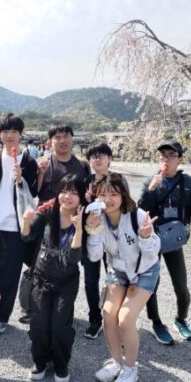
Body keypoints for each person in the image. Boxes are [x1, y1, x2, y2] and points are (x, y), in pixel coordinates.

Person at [85, 173, 161, 382]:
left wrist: (145, 237)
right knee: (108, 313)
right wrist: (93, 230)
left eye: (114, 194)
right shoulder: (98, 218)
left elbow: (153, 252)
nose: (108, 200)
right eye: (103, 194)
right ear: (96, 197)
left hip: (144, 271)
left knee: (125, 319)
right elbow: (94, 256)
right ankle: (116, 362)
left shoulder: (138, 216)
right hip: (118, 271)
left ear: (123, 195)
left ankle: (130, 368)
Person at [138, 140, 191, 345]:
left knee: (181, 286)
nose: (166, 159)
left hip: (174, 240)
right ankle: (157, 323)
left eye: (171, 155)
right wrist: (150, 190)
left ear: (180, 159)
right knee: (152, 284)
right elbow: (141, 212)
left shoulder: (189, 183)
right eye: (162, 155)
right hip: (153, 240)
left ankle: (181, 319)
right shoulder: (150, 180)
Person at [0, 113, 38, 335]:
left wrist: (21, 179)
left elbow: (34, 192)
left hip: (16, 227)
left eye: (14, 131)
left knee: (9, 277)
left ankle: (2, 318)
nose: (9, 135)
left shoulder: (29, 162)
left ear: (21, 134)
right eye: (5, 131)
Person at [21, 175, 85, 382]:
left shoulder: (86, 219)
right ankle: (40, 361)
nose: (67, 196)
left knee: (60, 325)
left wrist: (79, 229)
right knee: (39, 323)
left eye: (74, 192)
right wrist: (26, 222)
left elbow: (74, 258)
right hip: (41, 277)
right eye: (64, 191)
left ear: (81, 197)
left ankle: (60, 363)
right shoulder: (48, 212)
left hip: (66, 281)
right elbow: (26, 236)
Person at [81, 142, 113, 339]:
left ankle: (114, 319)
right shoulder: (85, 181)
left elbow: (126, 207)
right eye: (93, 156)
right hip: (91, 236)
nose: (97, 159)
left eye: (102, 155)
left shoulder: (117, 181)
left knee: (115, 279)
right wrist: (86, 201)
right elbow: (80, 209)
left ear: (110, 159)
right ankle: (95, 319)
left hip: (112, 238)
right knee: (90, 281)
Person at [37, 125, 90, 203]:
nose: (62, 141)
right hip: (47, 209)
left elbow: (89, 191)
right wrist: (40, 173)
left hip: (75, 209)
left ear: (72, 138)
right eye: (57, 137)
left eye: (66, 136)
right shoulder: (41, 164)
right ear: (50, 141)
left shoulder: (83, 165)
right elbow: (34, 192)